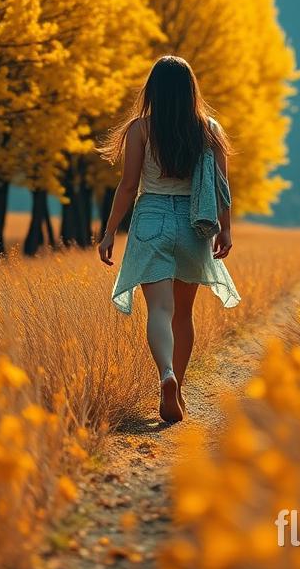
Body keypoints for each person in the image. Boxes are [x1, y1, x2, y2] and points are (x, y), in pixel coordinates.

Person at [97, 55, 241, 424]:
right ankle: (179, 383)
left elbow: (129, 186)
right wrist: (225, 228)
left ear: (153, 90)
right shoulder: (209, 129)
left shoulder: (140, 129)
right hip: (194, 223)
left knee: (159, 310)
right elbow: (221, 188)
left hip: (151, 219)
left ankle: (166, 376)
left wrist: (110, 230)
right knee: (183, 313)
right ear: (190, 89)